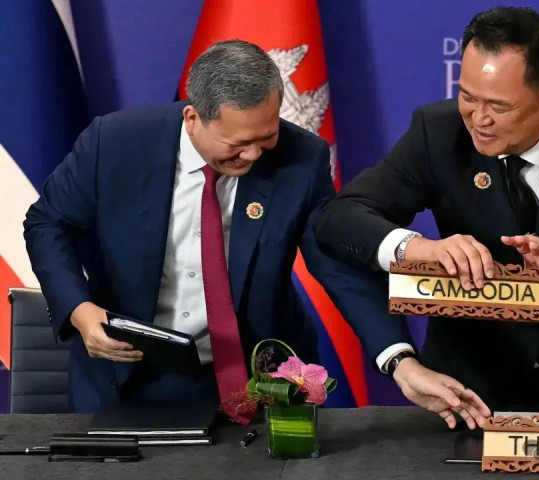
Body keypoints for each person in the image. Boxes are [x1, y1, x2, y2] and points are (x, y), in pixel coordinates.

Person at [24, 40, 490, 426]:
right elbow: (48, 223)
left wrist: (401, 362)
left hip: (261, 382)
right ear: (193, 118)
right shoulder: (115, 143)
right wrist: (80, 309)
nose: (253, 157)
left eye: (266, 137)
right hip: (126, 375)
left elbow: (338, 266)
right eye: (237, 144)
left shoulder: (300, 159)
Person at [315, 7, 539, 411]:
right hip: (472, 390)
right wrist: (418, 249)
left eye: (499, 106)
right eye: (467, 97)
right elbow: (341, 218)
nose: (478, 119)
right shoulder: (438, 133)